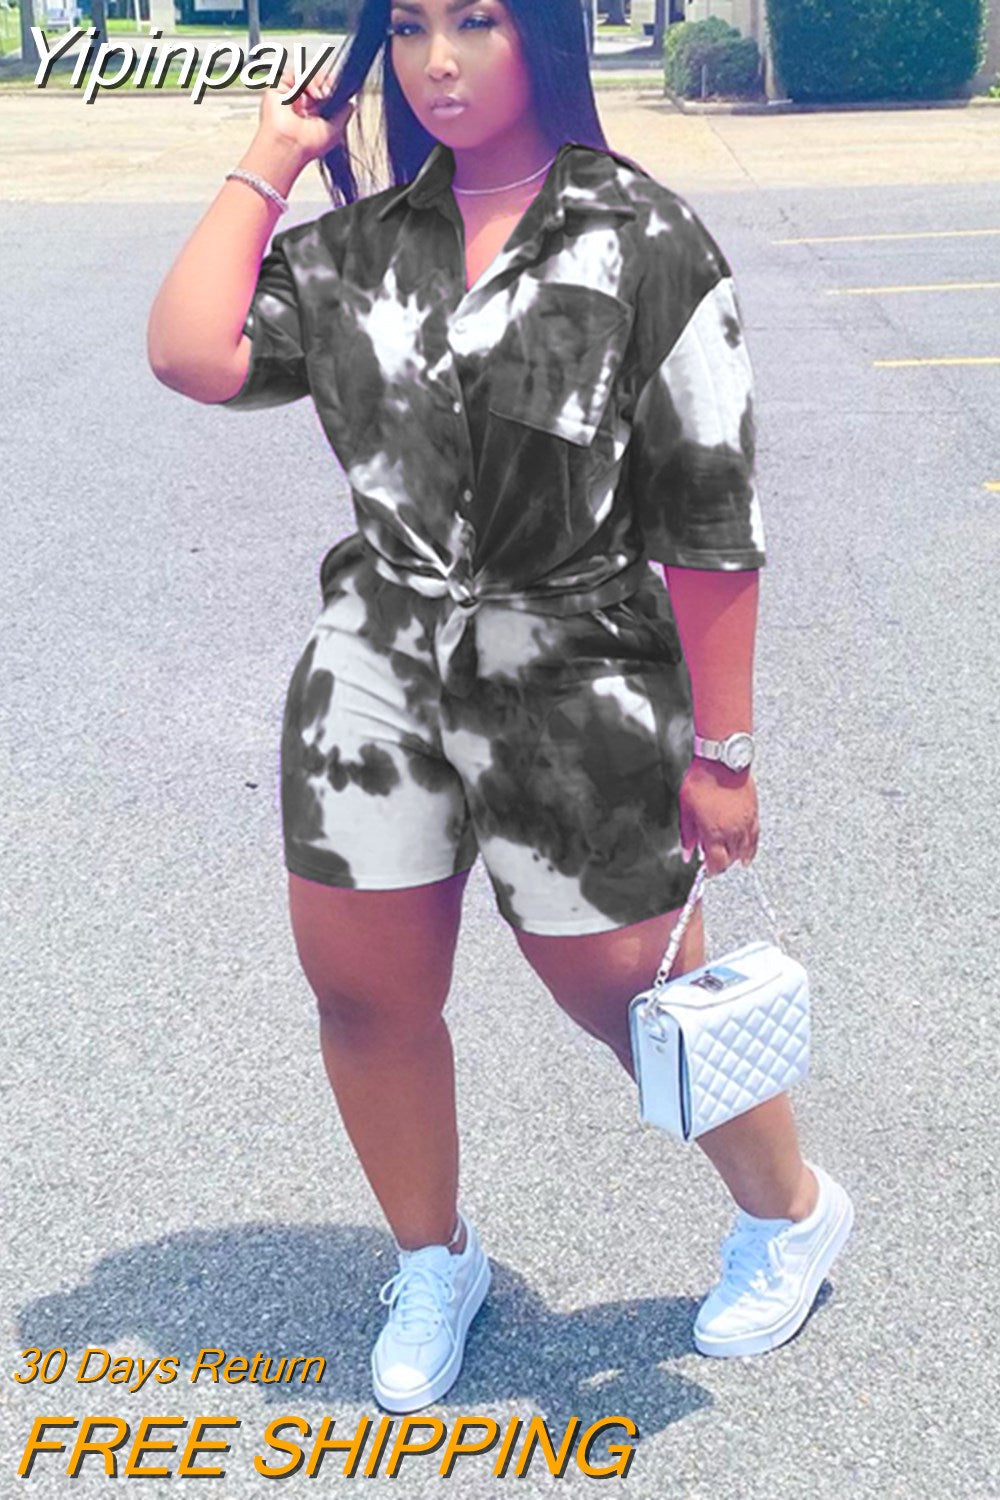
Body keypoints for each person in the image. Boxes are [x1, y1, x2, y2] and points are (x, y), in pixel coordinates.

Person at [147, 0, 854, 1414]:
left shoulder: (642, 237)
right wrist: (271, 159)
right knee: (366, 994)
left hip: (577, 668)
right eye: (409, 27)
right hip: (374, 669)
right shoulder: (357, 248)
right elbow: (193, 353)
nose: (439, 61)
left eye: (477, 20)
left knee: (634, 993)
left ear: (543, 35)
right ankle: (435, 1258)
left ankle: (791, 1212)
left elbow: (711, 513)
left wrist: (724, 751)